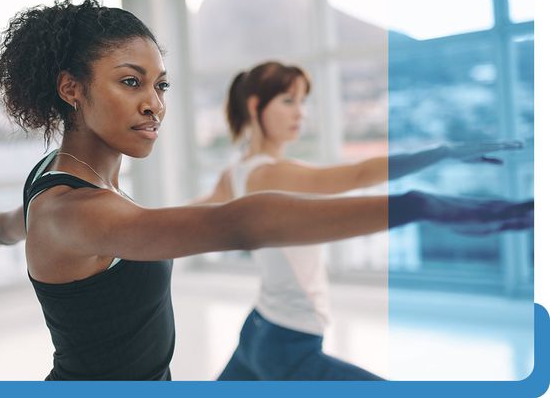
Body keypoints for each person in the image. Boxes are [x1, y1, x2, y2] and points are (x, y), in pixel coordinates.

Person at [0, 1, 532, 381]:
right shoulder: (78, 211)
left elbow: (8, 225)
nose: (155, 103)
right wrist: (416, 204)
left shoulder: (58, 180)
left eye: (160, 84)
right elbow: (242, 221)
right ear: (70, 88)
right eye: (131, 83)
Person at [192, 61, 530, 381]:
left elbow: (189, 215)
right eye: (288, 100)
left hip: (259, 328)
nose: (300, 112)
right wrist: (442, 153)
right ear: (255, 106)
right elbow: (359, 173)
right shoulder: (273, 173)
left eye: (303, 101)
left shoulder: (234, 173)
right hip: (287, 344)